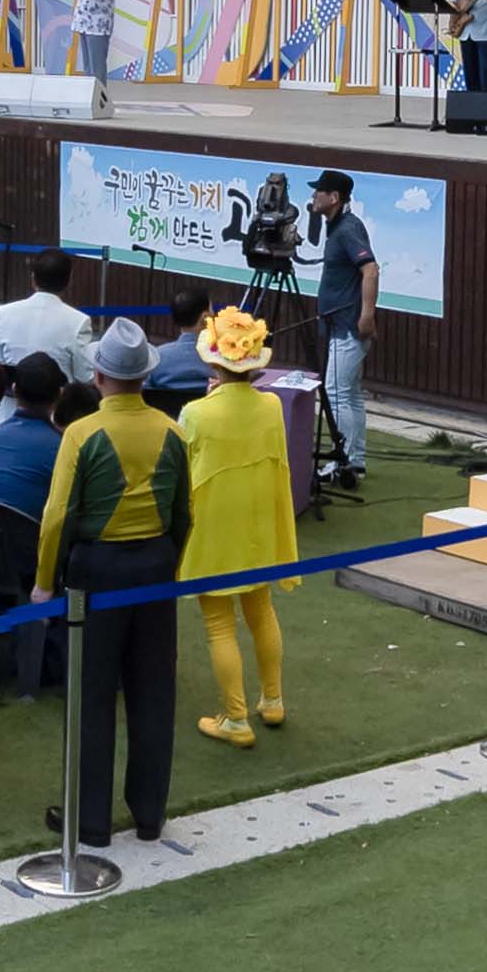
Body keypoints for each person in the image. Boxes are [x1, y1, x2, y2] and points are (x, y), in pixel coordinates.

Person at [37, 344, 202, 850]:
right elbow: (184, 512)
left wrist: (46, 579)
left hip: (96, 570)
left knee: (91, 689)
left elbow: (59, 515)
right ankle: (150, 813)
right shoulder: (172, 431)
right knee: (154, 690)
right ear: (146, 375)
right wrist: (168, 562)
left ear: (99, 374)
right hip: (154, 566)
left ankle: (90, 821)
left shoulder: (82, 433)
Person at [178, 314, 300, 745]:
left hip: (213, 524)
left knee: (219, 624)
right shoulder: (270, 406)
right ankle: (272, 700)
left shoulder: (195, 413)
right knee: (261, 611)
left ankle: (235, 718)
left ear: (215, 362)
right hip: (259, 523)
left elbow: (181, 462)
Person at [296, 172, 380, 495]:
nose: (314, 196)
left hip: (347, 327)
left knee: (335, 391)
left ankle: (342, 461)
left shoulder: (347, 229)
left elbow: (370, 269)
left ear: (335, 198)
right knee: (351, 393)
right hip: (342, 324)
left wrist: (367, 315)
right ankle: (354, 461)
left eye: (320, 191)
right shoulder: (339, 227)